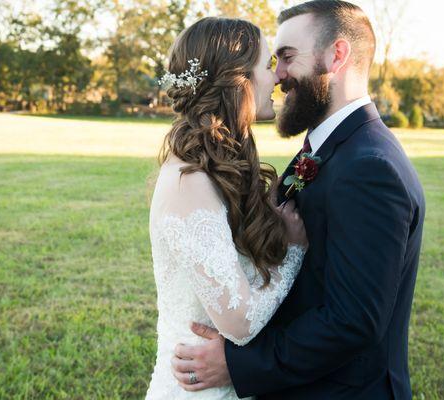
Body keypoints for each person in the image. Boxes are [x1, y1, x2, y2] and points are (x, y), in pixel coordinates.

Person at [171, 2, 426, 399]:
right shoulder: (326, 148)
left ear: (336, 55)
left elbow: (353, 321)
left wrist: (237, 365)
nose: (278, 75)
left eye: (288, 57)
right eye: (274, 60)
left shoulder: (371, 167)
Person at [145, 17, 309, 400]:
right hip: (197, 387)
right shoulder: (190, 182)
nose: (278, 78)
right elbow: (240, 322)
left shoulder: (217, 166)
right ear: (239, 82)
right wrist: (294, 252)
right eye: (267, 66)